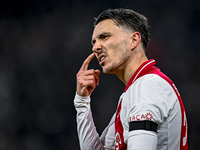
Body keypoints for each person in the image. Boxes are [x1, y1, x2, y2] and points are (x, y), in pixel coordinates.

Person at [74, 8, 188, 150]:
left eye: (105, 37)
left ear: (134, 40)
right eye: (94, 42)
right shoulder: (137, 89)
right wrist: (81, 101)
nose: (95, 47)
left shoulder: (146, 87)